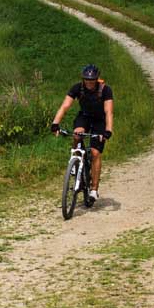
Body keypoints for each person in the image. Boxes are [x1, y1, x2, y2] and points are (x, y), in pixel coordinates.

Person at [50, 64, 114, 204]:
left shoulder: (105, 90)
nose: (89, 83)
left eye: (92, 80)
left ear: (97, 79)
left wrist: (108, 130)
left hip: (99, 121)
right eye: (87, 80)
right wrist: (55, 123)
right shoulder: (77, 88)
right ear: (83, 79)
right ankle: (75, 159)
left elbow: (109, 112)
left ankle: (94, 189)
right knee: (77, 133)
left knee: (95, 152)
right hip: (84, 116)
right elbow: (65, 106)